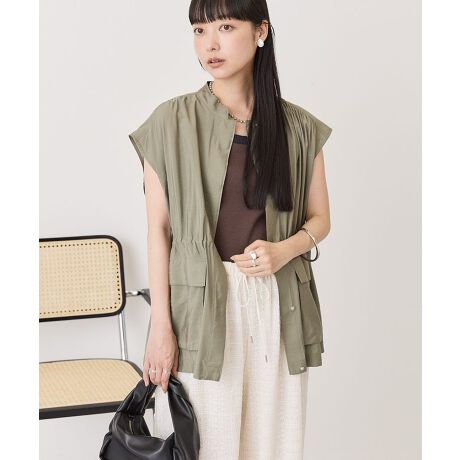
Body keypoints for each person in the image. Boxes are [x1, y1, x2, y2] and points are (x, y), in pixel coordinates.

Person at [128, 1, 333, 459]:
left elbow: (320, 218)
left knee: (273, 446)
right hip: (200, 307)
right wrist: (160, 327)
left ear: (261, 31)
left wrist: (283, 250)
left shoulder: (298, 127)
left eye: (225, 27)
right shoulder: (170, 122)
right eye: (199, 30)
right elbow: (158, 230)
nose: (210, 44)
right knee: (205, 446)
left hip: (278, 302)